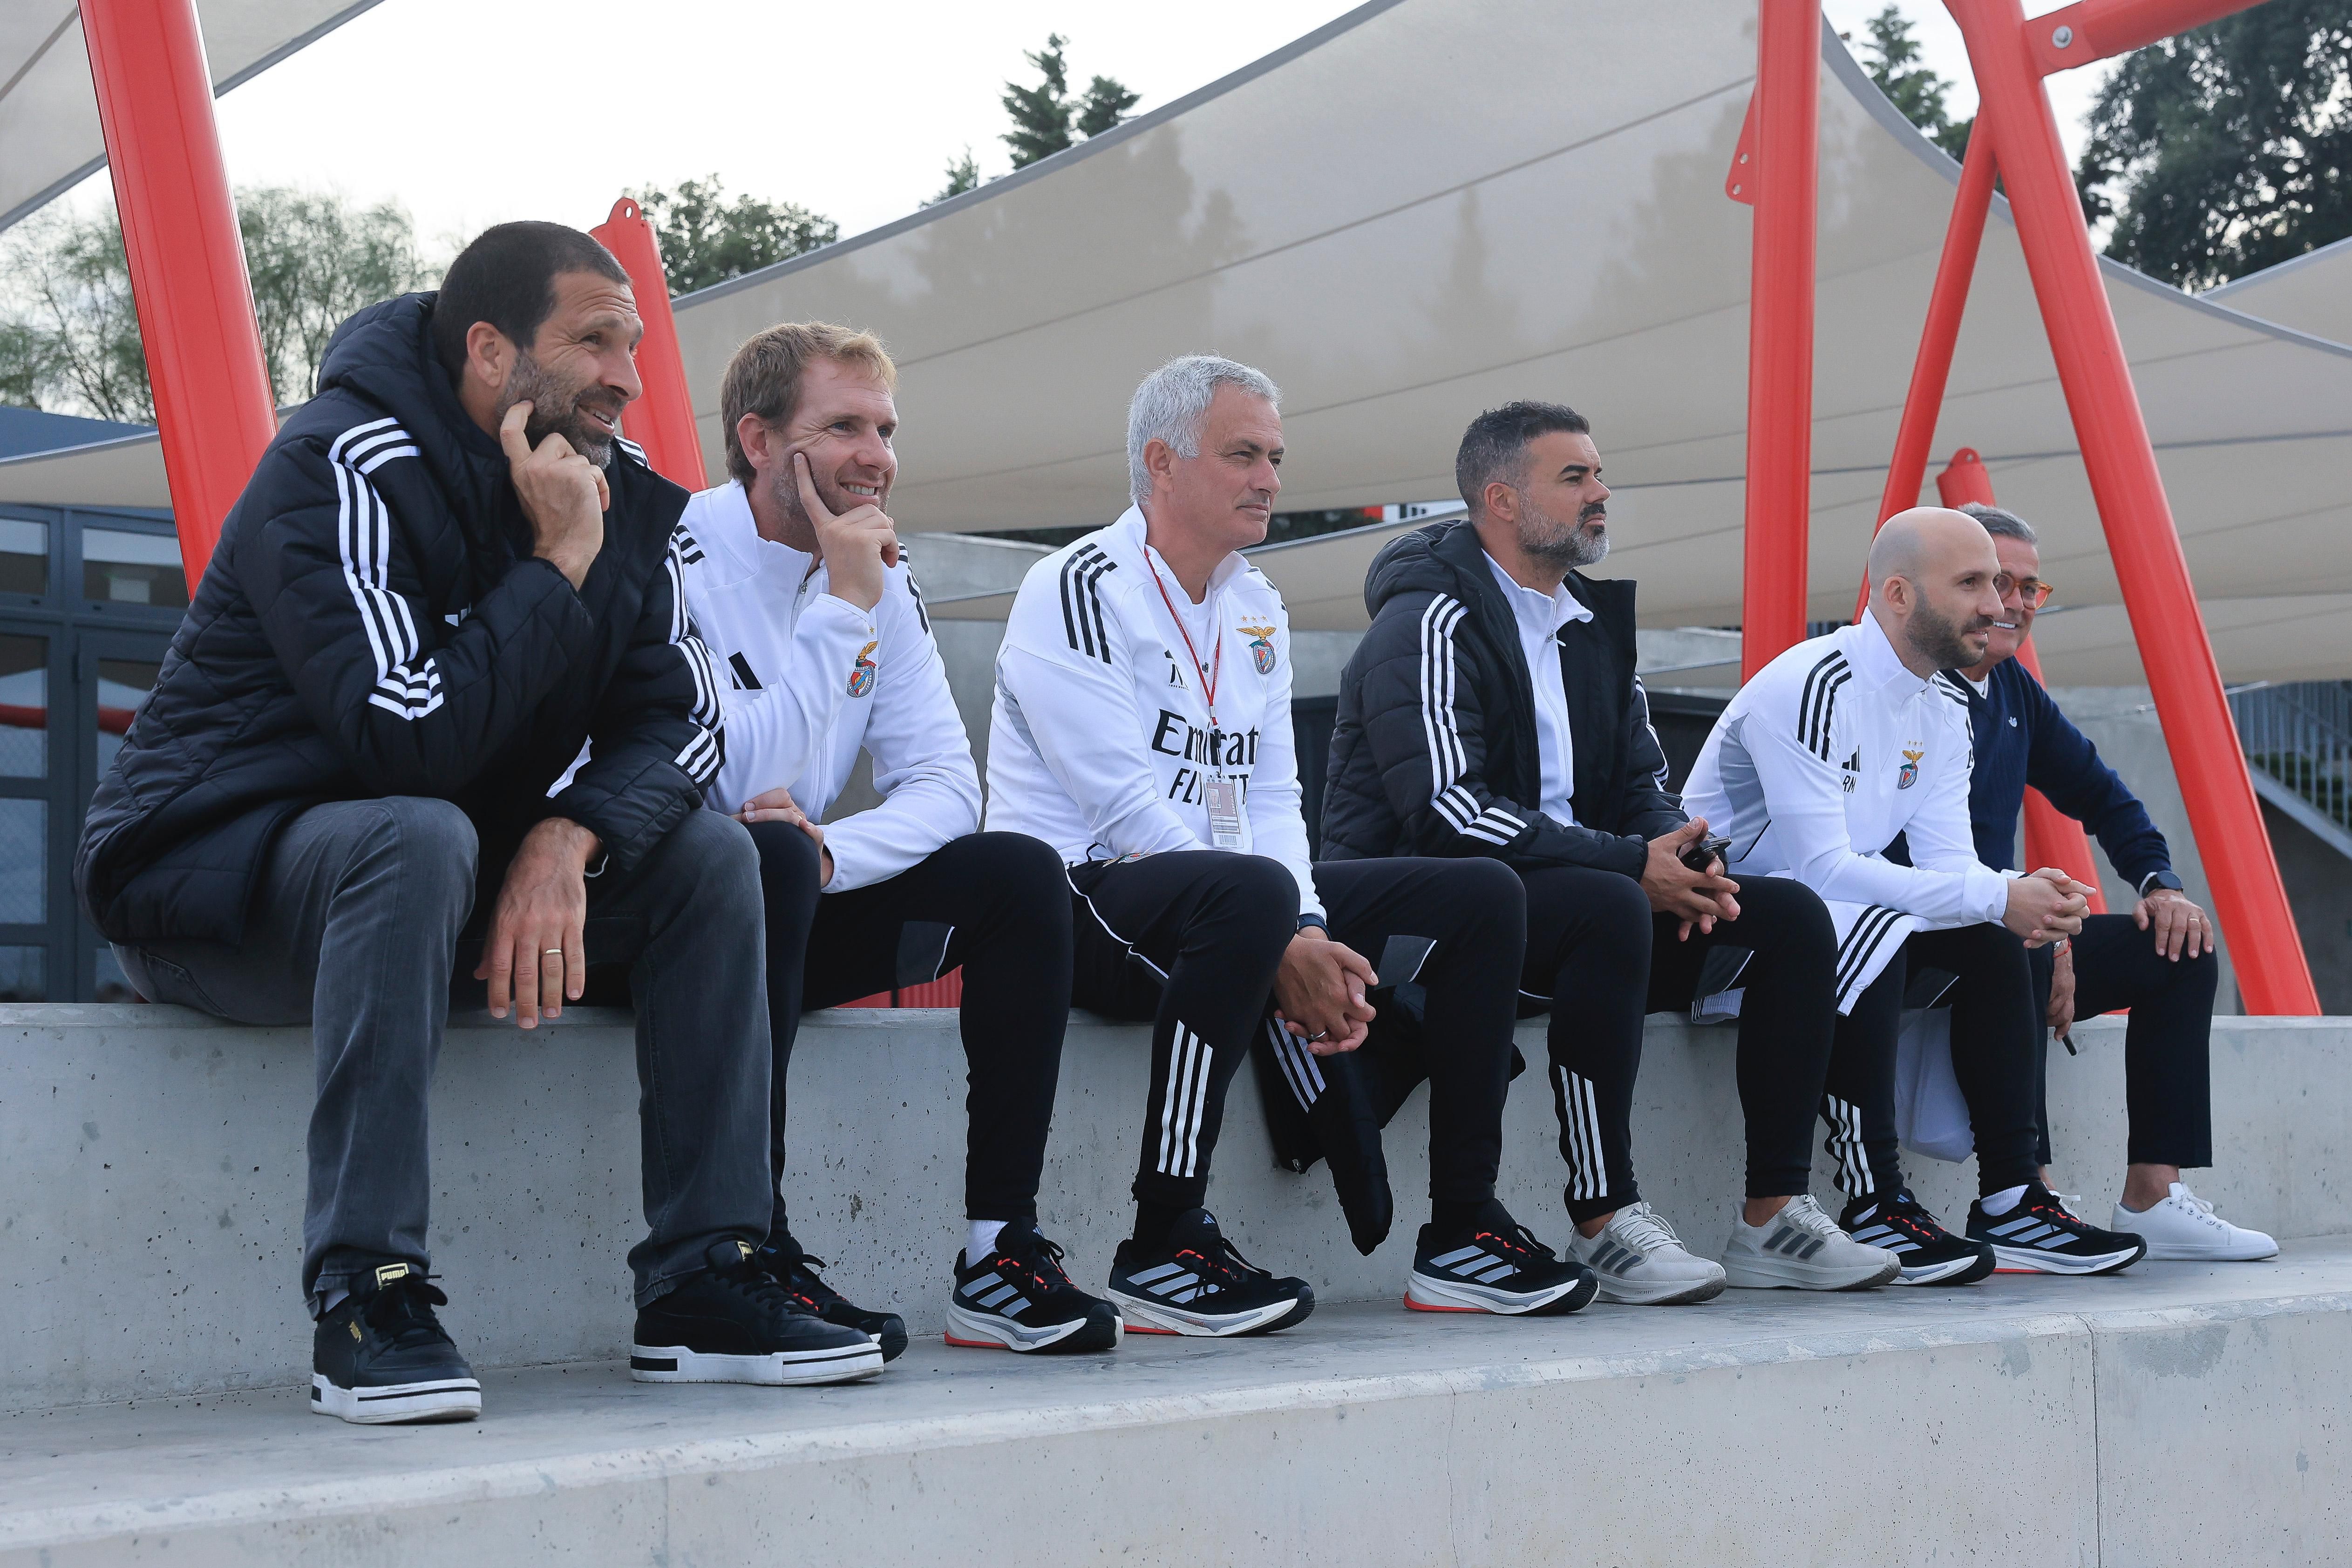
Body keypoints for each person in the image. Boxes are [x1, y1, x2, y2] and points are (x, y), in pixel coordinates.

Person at [75, 223, 883, 1425]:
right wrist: (555, 564)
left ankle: (706, 1272)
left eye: (633, 342)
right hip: (213, 884)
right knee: (417, 829)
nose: (628, 373)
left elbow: (684, 729)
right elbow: (404, 736)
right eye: (595, 340)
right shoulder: (341, 462)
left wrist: (567, 840)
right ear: (493, 353)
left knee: (718, 852)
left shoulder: (613, 488)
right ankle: (368, 1290)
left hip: (426, 882)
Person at [988, 355, 1592, 1335]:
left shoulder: (1256, 604)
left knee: (1481, 893)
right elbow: (1120, 804)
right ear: (1162, 462)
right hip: (1078, 898)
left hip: (1234, 905)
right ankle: (1162, 1237)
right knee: (1248, 897)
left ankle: (1460, 1233)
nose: (1270, 478)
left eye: (1274, 455)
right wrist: (1277, 931)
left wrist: (1304, 920)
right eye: (1242, 454)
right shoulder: (1077, 585)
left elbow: (1272, 793)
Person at [1321, 400, 1901, 1299]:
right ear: (1502, 500)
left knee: (1782, 915)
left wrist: (1681, 857)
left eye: (1599, 474)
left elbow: (1639, 788)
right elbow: (1443, 812)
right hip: (1427, 912)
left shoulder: (1591, 627)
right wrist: (1630, 866)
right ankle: (1603, 1219)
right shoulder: (1426, 618)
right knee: (1608, 904)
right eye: (1575, 477)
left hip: (1566, 901)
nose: (1601, 493)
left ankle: (1774, 1217)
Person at [679, 321, 1120, 1358]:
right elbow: (729, 781)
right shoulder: (678, 555)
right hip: (670, 928)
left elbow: (943, 787)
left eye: (883, 427)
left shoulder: (879, 572)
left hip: (796, 897)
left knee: (1017, 873)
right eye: (841, 426)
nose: (874, 454)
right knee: (766, 858)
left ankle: (998, 1252)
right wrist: (841, 599)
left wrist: (835, 853)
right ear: (757, 440)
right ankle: (754, 1245)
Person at [1683, 506, 2152, 1280]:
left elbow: (1950, 866)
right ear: (1897, 595)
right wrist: (1997, 893)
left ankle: (2014, 1197)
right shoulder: (1811, 682)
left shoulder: (1945, 708)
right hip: (1728, 930)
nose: (1998, 607)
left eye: (1999, 587)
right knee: (1879, 917)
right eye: (1972, 583)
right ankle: (1874, 1203)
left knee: (2001, 927)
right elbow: (1821, 869)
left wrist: (2023, 897)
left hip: (1820, 926)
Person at [1948, 502, 2275, 1261]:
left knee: (2177, 947)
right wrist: (2041, 923)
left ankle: (2152, 1195)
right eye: (1999, 581)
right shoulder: (1908, 686)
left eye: (2033, 587)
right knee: (2027, 938)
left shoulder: (2012, 692)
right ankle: (2024, 1197)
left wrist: (2159, 882)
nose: (2018, 602)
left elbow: (2104, 797)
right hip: (1920, 936)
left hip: (2009, 929)